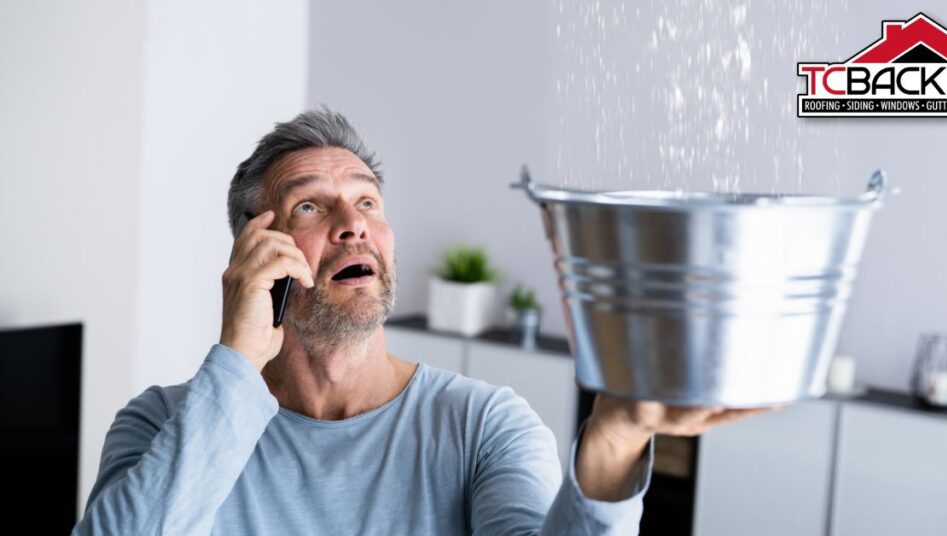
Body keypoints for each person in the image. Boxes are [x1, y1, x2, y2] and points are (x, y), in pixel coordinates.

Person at [73, 108, 771, 535]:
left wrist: (615, 433)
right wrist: (237, 357)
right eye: (311, 207)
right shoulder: (162, 425)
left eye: (369, 203)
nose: (354, 225)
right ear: (257, 254)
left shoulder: (482, 426)